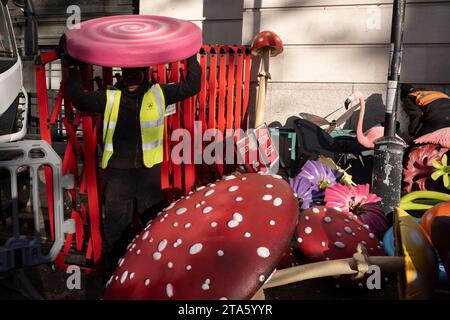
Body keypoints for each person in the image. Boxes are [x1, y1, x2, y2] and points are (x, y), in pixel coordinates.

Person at [61, 41, 201, 268]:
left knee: (153, 228)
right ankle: (114, 276)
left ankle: (152, 273)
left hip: (148, 175)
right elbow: (79, 98)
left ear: (144, 73)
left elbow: (192, 85)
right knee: (115, 231)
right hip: (118, 175)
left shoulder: (159, 93)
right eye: (127, 72)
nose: (131, 76)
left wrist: (190, 54)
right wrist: (72, 66)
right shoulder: (110, 97)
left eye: (135, 72)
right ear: (121, 74)